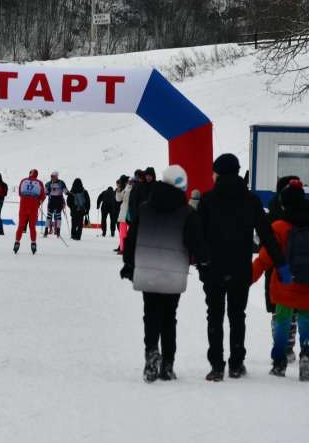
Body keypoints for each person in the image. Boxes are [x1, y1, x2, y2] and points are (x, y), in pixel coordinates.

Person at [197, 153, 287, 382]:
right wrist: (281, 262)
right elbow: (267, 234)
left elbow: (197, 236)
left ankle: (217, 366)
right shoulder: (251, 200)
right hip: (240, 268)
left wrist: (201, 263)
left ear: (218, 172)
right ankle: (236, 364)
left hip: (214, 269)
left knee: (214, 316)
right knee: (238, 315)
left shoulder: (207, 200)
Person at [121, 165, 209, 382]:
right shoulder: (187, 212)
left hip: (148, 270)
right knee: (169, 318)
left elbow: (130, 240)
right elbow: (195, 241)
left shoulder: (144, 208)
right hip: (173, 272)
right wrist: (204, 261)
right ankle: (167, 365)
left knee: (150, 315)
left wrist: (129, 263)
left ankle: (151, 354)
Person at [251, 179, 309, 381]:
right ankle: (306, 354)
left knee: (283, 322)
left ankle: (279, 362)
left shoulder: (279, 226)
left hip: (286, 283)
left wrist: (248, 277)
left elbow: (265, 257)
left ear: (285, 204)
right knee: (306, 323)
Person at [264, 175, 301, 363]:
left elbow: (263, 240)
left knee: (277, 310)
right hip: (297, 267)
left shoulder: (272, 211)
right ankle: (288, 347)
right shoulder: (304, 212)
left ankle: (280, 346)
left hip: (275, 268)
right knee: (292, 310)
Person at [14, 169, 46, 254]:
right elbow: (43, 195)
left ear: (30, 174)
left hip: (23, 206)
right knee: (32, 227)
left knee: (21, 225)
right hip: (33, 207)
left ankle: (17, 242)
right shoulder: (39, 183)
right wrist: (38, 202)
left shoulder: (23, 181)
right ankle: (33, 243)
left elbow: (20, 193)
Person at [44, 171, 68, 237]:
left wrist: (69, 194)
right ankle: (46, 230)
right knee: (49, 216)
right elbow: (45, 192)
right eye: (51, 176)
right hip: (51, 201)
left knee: (58, 216)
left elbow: (65, 191)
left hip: (59, 201)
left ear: (57, 176)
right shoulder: (48, 183)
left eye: (53, 176)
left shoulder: (61, 183)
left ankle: (58, 231)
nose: (52, 178)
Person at [116, 174, 134, 254]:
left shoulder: (133, 188)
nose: (128, 183)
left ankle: (128, 249)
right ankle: (123, 249)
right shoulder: (124, 189)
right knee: (122, 233)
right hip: (123, 212)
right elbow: (118, 199)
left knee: (130, 233)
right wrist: (118, 190)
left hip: (130, 212)